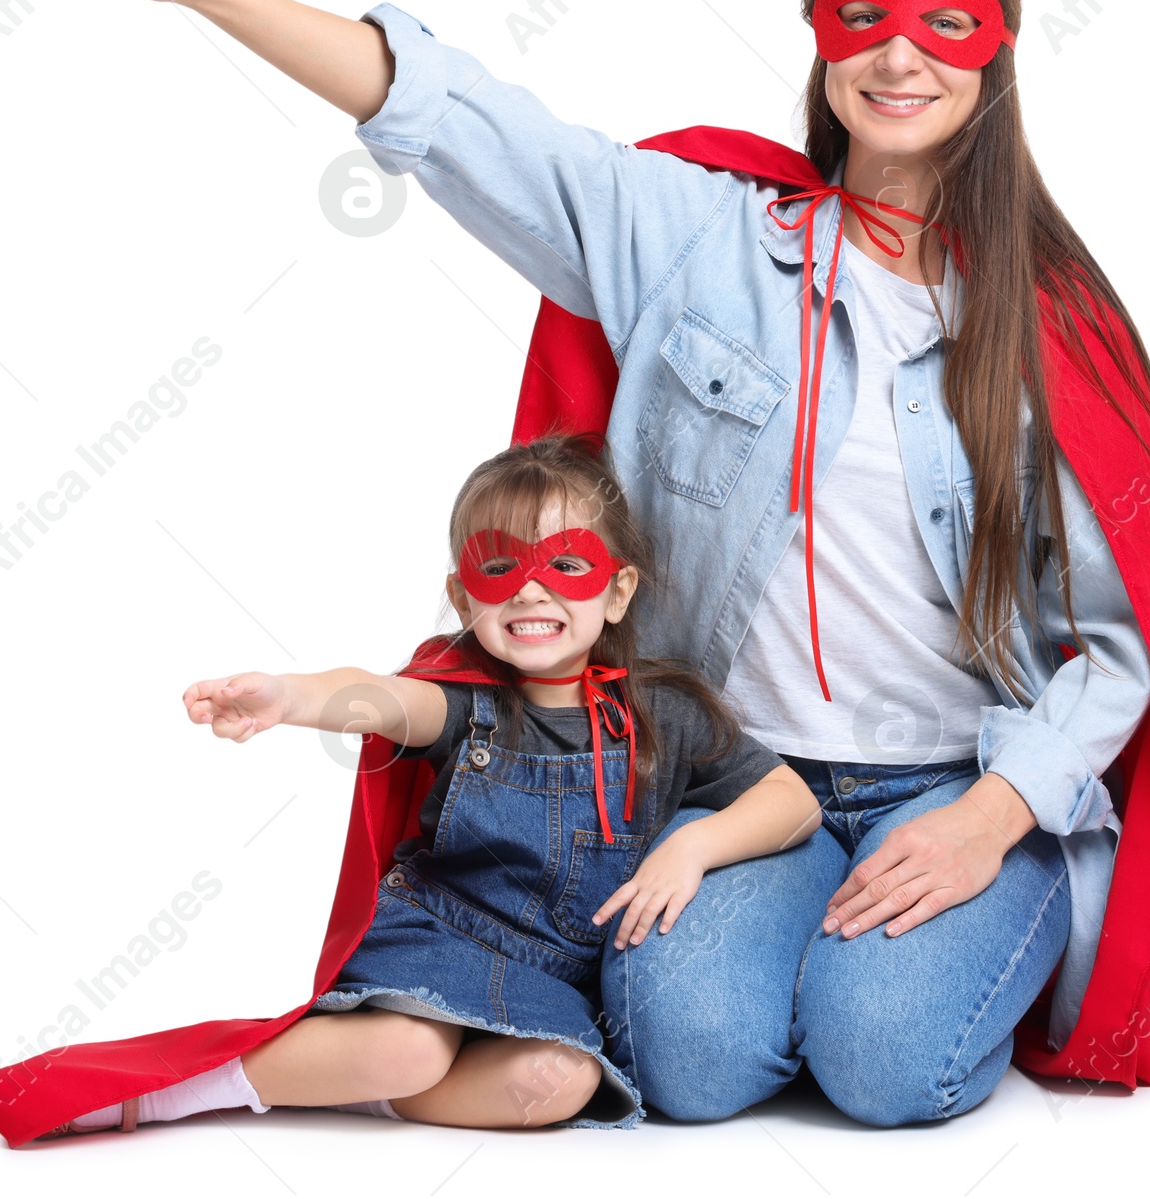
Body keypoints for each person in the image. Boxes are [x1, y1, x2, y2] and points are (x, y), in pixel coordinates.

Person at [60, 0, 1150, 1126]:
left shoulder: (1047, 323)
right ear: (820, 37)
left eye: (947, 23)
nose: (899, 53)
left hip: (950, 782)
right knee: (692, 1064)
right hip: (739, 784)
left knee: (886, 1069)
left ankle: (917, 962)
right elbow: (451, 116)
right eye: (863, 14)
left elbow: (1118, 642)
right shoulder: (694, 233)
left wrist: (990, 822)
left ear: (998, 55)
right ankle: (819, 958)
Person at [44, 437, 817, 1135]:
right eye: (500, 567)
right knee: (409, 1048)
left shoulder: (666, 718)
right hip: (438, 938)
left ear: (617, 592)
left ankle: (358, 1091)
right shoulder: (469, 706)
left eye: (567, 565)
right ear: (464, 599)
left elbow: (794, 802)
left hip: (553, 979)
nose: (530, 590)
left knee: (563, 1082)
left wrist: (693, 848)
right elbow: (382, 697)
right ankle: (180, 1091)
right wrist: (290, 697)